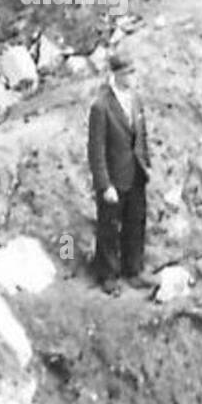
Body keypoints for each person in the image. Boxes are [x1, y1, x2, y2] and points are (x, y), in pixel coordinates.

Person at [88, 48, 153, 294]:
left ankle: (133, 269)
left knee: (135, 223)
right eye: (128, 73)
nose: (133, 77)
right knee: (109, 228)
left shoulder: (135, 99)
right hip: (114, 179)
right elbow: (96, 150)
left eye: (134, 71)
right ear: (115, 74)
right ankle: (108, 275)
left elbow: (141, 135)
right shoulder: (100, 106)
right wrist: (105, 185)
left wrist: (146, 164)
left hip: (136, 173)